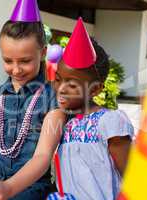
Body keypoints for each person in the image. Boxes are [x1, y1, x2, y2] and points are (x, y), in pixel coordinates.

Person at [0, 0, 65, 199]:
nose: (16, 70)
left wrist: (8, 188)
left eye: (25, 61)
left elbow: (43, 157)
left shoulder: (54, 100)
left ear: (43, 53)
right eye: (8, 61)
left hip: (30, 188)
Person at [53, 18, 134, 200]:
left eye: (72, 85)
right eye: (58, 79)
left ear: (96, 89)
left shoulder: (110, 122)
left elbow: (133, 178)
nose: (61, 89)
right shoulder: (65, 121)